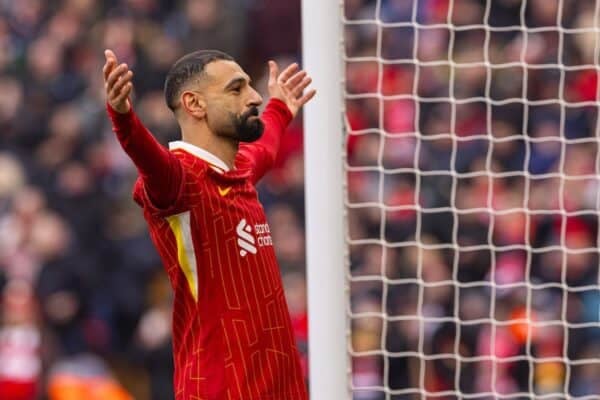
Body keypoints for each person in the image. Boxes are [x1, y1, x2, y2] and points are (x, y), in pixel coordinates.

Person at [102, 48, 315, 400]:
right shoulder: (180, 182)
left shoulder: (238, 170)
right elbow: (147, 158)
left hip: (280, 388)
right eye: (236, 89)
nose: (255, 96)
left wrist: (280, 108)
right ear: (195, 105)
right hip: (221, 388)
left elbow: (266, 148)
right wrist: (122, 116)